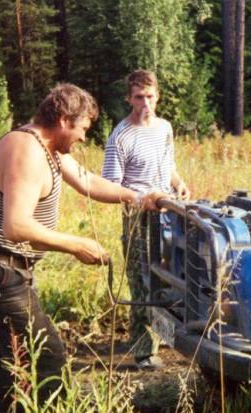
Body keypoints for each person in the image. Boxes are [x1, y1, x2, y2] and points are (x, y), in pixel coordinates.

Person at [0, 83, 168, 413]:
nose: (84, 137)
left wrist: (138, 198)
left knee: (13, 353)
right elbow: (16, 225)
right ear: (65, 120)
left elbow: (88, 181)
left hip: (3, 265)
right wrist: (77, 245)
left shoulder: (47, 147)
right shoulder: (26, 151)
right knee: (46, 356)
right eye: (84, 128)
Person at [102, 70, 191, 371]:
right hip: (138, 216)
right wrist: (142, 198)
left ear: (158, 96)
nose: (145, 103)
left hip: (169, 213)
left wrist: (178, 183)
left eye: (150, 96)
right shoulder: (120, 136)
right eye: (139, 97)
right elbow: (111, 186)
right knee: (142, 282)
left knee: (172, 277)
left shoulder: (165, 128)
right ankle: (143, 351)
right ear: (129, 98)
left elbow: (169, 166)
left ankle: (167, 335)